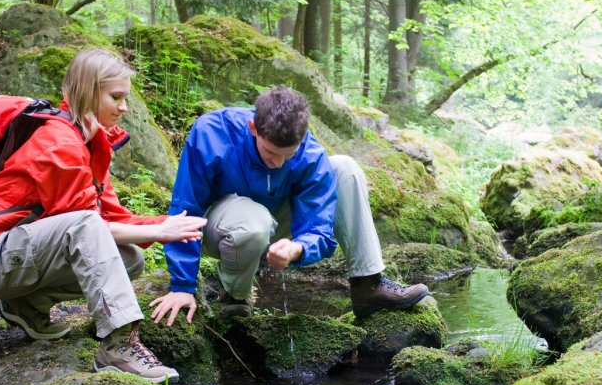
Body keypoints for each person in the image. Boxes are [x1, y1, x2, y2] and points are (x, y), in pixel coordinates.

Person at [0, 49, 206, 384]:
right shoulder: (58, 141)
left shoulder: (88, 142)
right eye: (116, 97)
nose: (124, 107)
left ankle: (26, 306)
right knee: (88, 226)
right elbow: (85, 223)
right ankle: (118, 344)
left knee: (129, 257)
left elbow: (112, 217)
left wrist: (163, 226)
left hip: (21, 256)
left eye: (125, 98)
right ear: (89, 92)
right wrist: (163, 230)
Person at [149, 86, 429, 326]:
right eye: (270, 153)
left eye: (288, 155)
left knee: (344, 167)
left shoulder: (310, 154)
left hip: (275, 224)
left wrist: (299, 248)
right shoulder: (212, 132)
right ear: (252, 128)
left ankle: (368, 285)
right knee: (252, 221)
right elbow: (186, 210)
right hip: (219, 228)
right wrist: (183, 286)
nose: (278, 163)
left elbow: (319, 228)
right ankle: (235, 296)